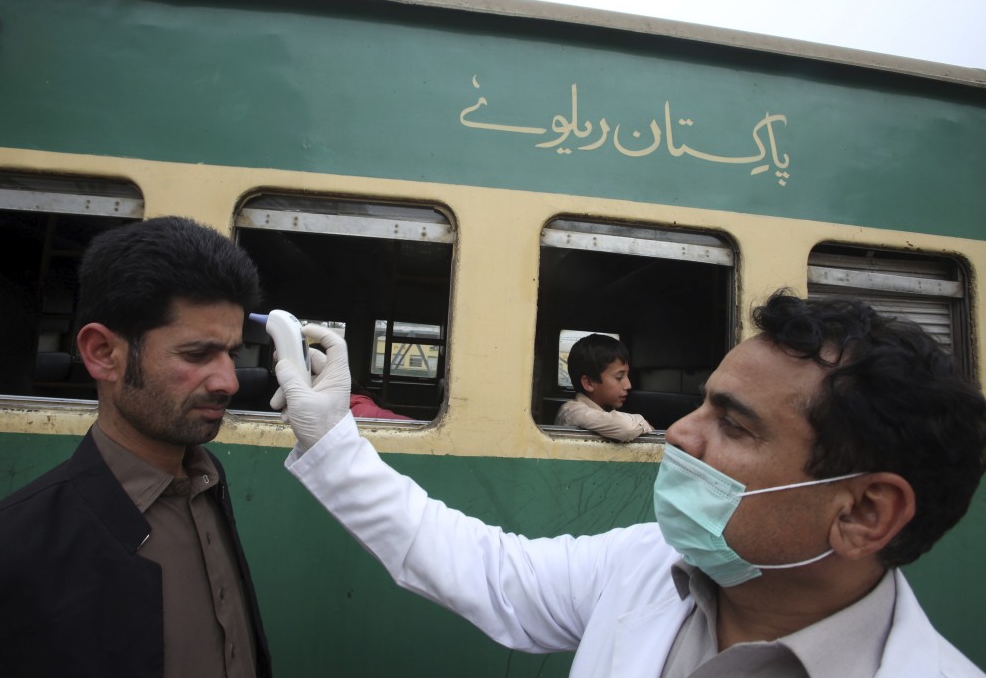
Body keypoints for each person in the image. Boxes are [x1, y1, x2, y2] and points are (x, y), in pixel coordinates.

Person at [271, 290, 986, 677]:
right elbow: (484, 569)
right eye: (701, 403)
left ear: (864, 512)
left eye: (733, 426)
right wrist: (333, 442)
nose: (680, 434)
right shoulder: (649, 568)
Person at [0, 217, 272, 678]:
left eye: (232, 353)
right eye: (196, 355)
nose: (228, 380)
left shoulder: (208, 488)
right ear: (103, 353)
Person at [554, 333, 653, 440]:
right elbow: (626, 427)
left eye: (627, 376)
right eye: (619, 377)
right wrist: (643, 423)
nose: (628, 385)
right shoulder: (572, 412)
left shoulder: (608, 411)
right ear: (589, 383)